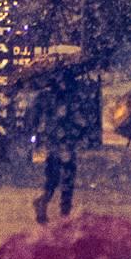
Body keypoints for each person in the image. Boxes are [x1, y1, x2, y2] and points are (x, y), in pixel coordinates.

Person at [35, 63, 100, 224]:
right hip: (58, 145)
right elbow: (50, 121)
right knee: (55, 179)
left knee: (65, 180)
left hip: (65, 145)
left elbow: (76, 120)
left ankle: (63, 212)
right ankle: (46, 205)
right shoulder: (52, 98)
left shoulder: (65, 97)